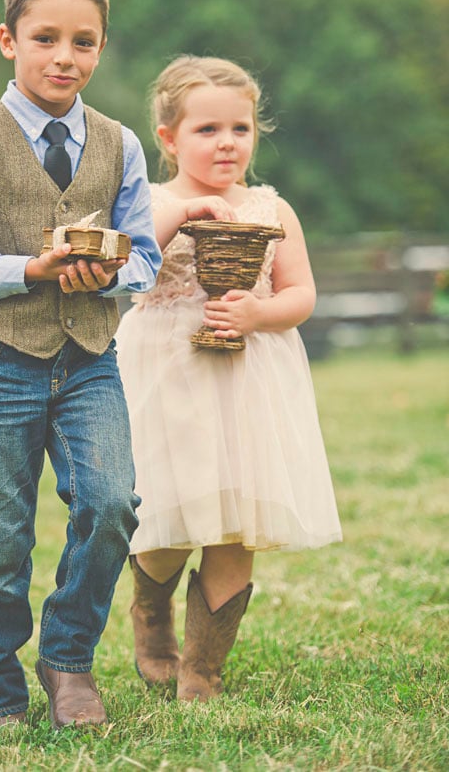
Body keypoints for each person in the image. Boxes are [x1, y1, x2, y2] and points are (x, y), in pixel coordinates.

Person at [0, 0, 161, 732]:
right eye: (46, 38)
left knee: (112, 504)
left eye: (84, 42)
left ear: (101, 48)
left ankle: (68, 659)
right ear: (7, 40)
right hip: (3, 362)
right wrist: (31, 267)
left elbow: (148, 257)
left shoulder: (120, 145)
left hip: (92, 358)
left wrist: (106, 276)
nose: (65, 56)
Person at [115, 55, 342, 702]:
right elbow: (131, 264)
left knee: (238, 521)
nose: (226, 143)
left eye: (239, 129)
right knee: (168, 518)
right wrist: (188, 214)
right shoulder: (153, 201)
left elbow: (300, 293)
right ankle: (150, 612)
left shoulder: (271, 208)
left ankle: (203, 668)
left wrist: (259, 312)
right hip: (168, 377)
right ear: (168, 138)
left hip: (249, 379)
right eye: (207, 130)